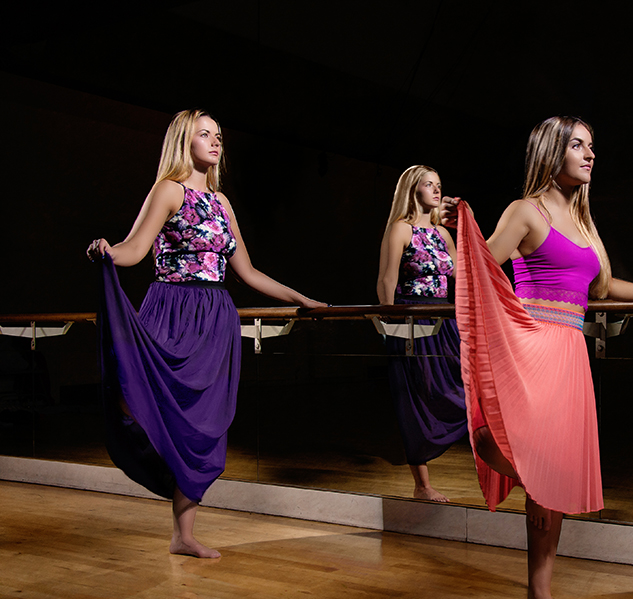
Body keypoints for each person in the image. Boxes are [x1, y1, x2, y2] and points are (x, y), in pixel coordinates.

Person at [445, 116, 633, 599]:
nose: (590, 154)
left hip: (570, 353)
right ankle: (538, 490)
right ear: (550, 152)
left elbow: (600, 290)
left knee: (556, 463)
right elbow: (477, 270)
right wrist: (455, 230)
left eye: (592, 146)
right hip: (532, 342)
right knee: (501, 442)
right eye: (578, 145)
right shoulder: (525, 211)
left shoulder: (583, 220)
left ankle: (541, 595)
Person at [87, 109, 324, 559]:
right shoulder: (168, 191)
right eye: (205, 134)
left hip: (215, 317)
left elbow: (248, 272)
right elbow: (134, 249)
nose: (216, 142)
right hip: (172, 310)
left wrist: (301, 298)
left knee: (206, 427)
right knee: (161, 408)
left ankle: (184, 534)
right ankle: (155, 479)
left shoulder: (222, 203)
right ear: (183, 141)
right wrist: (106, 251)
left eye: (218, 136)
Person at [375, 165, 467, 502]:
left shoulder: (443, 234)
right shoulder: (402, 229)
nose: (436, 190)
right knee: (416, 397)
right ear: (413, 190)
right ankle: (422, 484)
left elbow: (463, 274)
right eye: (428, 184)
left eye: (439, 184)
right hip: (411, 320)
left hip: (444, 319)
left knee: (463, 388)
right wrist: (392, 328)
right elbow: (386, 280)